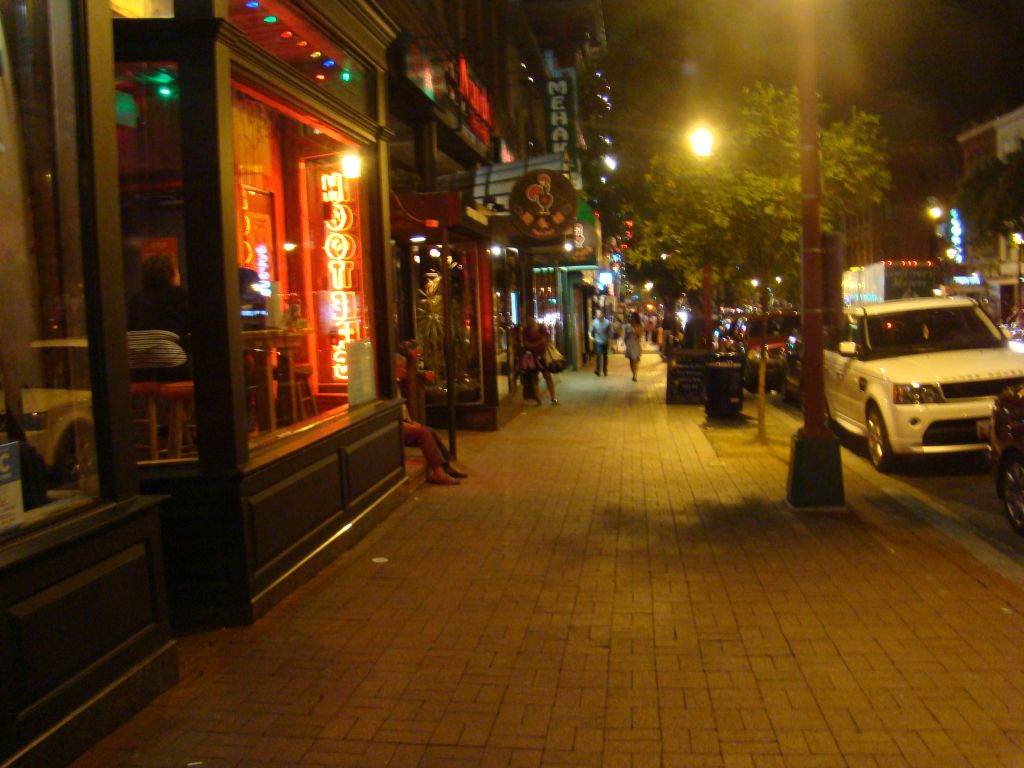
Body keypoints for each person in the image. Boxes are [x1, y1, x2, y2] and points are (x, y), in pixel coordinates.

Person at [395, 354, 467, 485]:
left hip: (402, 423)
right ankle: (438, 472)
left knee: (429, 431)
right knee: (423, 433)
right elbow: (394, 413)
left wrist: (410, 422)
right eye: (401, 368)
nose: (404, 371)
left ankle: (446, 466)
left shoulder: (397, 383)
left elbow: (402, 410)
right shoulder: (389, 387)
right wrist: (408, 425)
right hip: (395, 426)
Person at [127, 253, 191, 381]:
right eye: (177, 271)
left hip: (135, 363)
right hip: (169, 361)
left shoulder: (136, 298)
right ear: (171, 275)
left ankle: (151, 401)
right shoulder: (178, 294)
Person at [521, 316, 558, 405]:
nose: (530, 321)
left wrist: (540, 342)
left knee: (547, 376)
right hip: (532, 357)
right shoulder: (526, 331)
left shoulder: (541, 328)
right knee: (534, 378)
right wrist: (540, 342)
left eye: (531, 319)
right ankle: (538, 400)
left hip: (542, 356)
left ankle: (553, 398)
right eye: (528, 320)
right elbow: (527, 345)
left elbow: (547, 340)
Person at [589, 307, 612, 376]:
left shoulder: (607, 322)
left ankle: (605, 370)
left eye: (598, 313)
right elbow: (590, 331)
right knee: (598, 355)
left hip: (605, 341)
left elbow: (609, 333)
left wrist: (609, 341)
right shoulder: (594, 322)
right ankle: (598, 370)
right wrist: (591, 337)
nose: (597, 314)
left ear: (602, 314)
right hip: (598, 341)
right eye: (596, 313)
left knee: (605, 356)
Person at [624, 311, 643, 381]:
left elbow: (639, 335)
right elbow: (625, 336)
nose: (632, 319)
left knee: (635, 360)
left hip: (636, 344)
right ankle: (633, 373)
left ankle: (635, 375)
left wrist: (635, 329)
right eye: (631, 317)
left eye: (633, 317)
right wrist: (625, 341)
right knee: (631, 361)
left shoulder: (639, 326)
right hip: (629, 344)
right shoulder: (628, 326)